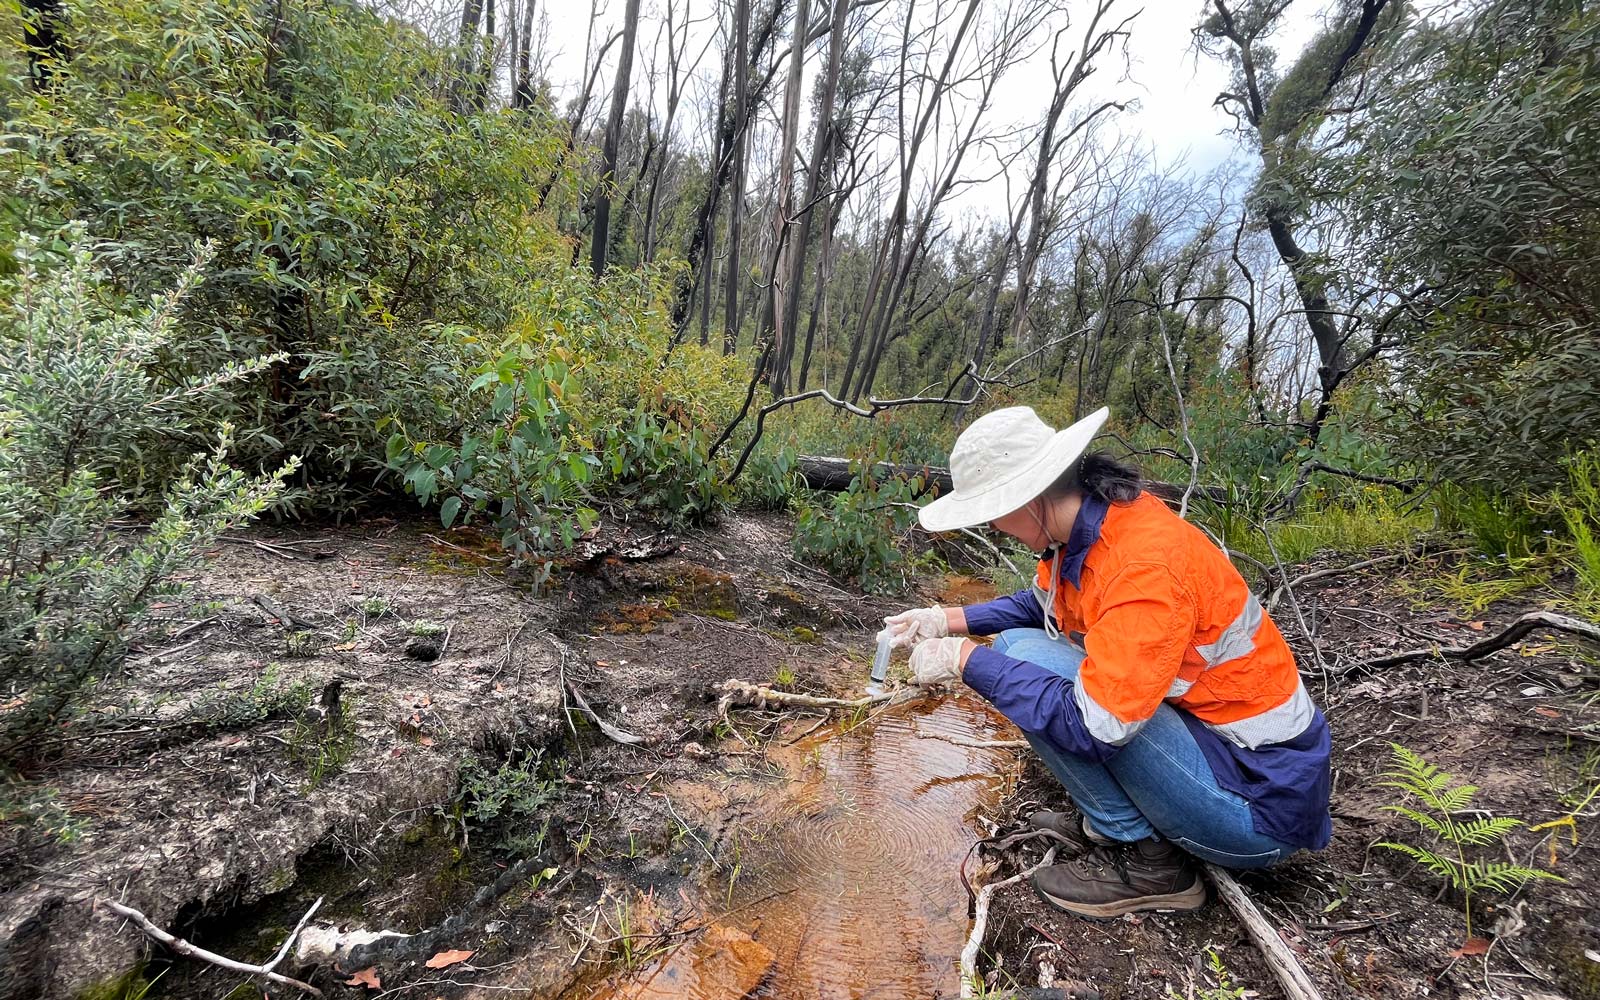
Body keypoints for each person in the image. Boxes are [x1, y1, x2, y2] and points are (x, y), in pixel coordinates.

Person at [884, 406, 1331, 918]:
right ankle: (1115, 823)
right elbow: (1041, 606)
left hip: (1257, 806)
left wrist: (965, 662)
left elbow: (1093, 726)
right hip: (1222, 755)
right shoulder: (1089, 532)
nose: (992, 525)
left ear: (1027, 500)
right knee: (1012, 649)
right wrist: (947, 620)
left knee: (1013, 665)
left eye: (991, 511)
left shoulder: (1144, 567)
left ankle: (1151, 863)